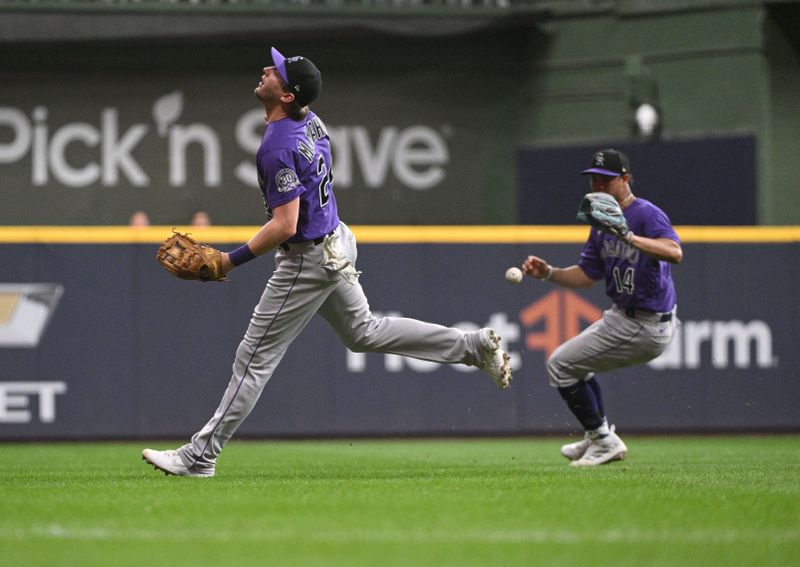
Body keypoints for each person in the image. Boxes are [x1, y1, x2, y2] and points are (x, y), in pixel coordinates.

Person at [142, 47, 512, 477]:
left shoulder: (277, 147)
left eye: (276, 72)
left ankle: (199, 456)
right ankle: (472, 348)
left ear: (285, 96)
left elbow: (285, 224)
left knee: (254, 358)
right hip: (336, 240)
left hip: (308, 259)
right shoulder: (310, 120)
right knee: (364, 331)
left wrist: (230, 260)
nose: (266, 70)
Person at [521, 149, 682, 467]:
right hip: (623, 316)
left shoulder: (646, 214)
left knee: (560, 365)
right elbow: (586, 277)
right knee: (572, 365)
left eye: (606, 180)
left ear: (625, 179)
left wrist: (630, 237)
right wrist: (550, 273)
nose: (598, 185)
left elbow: (674, 252)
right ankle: (599, 435)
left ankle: (603, 439)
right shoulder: (599, 221)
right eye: (594, 180)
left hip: (645, 322)